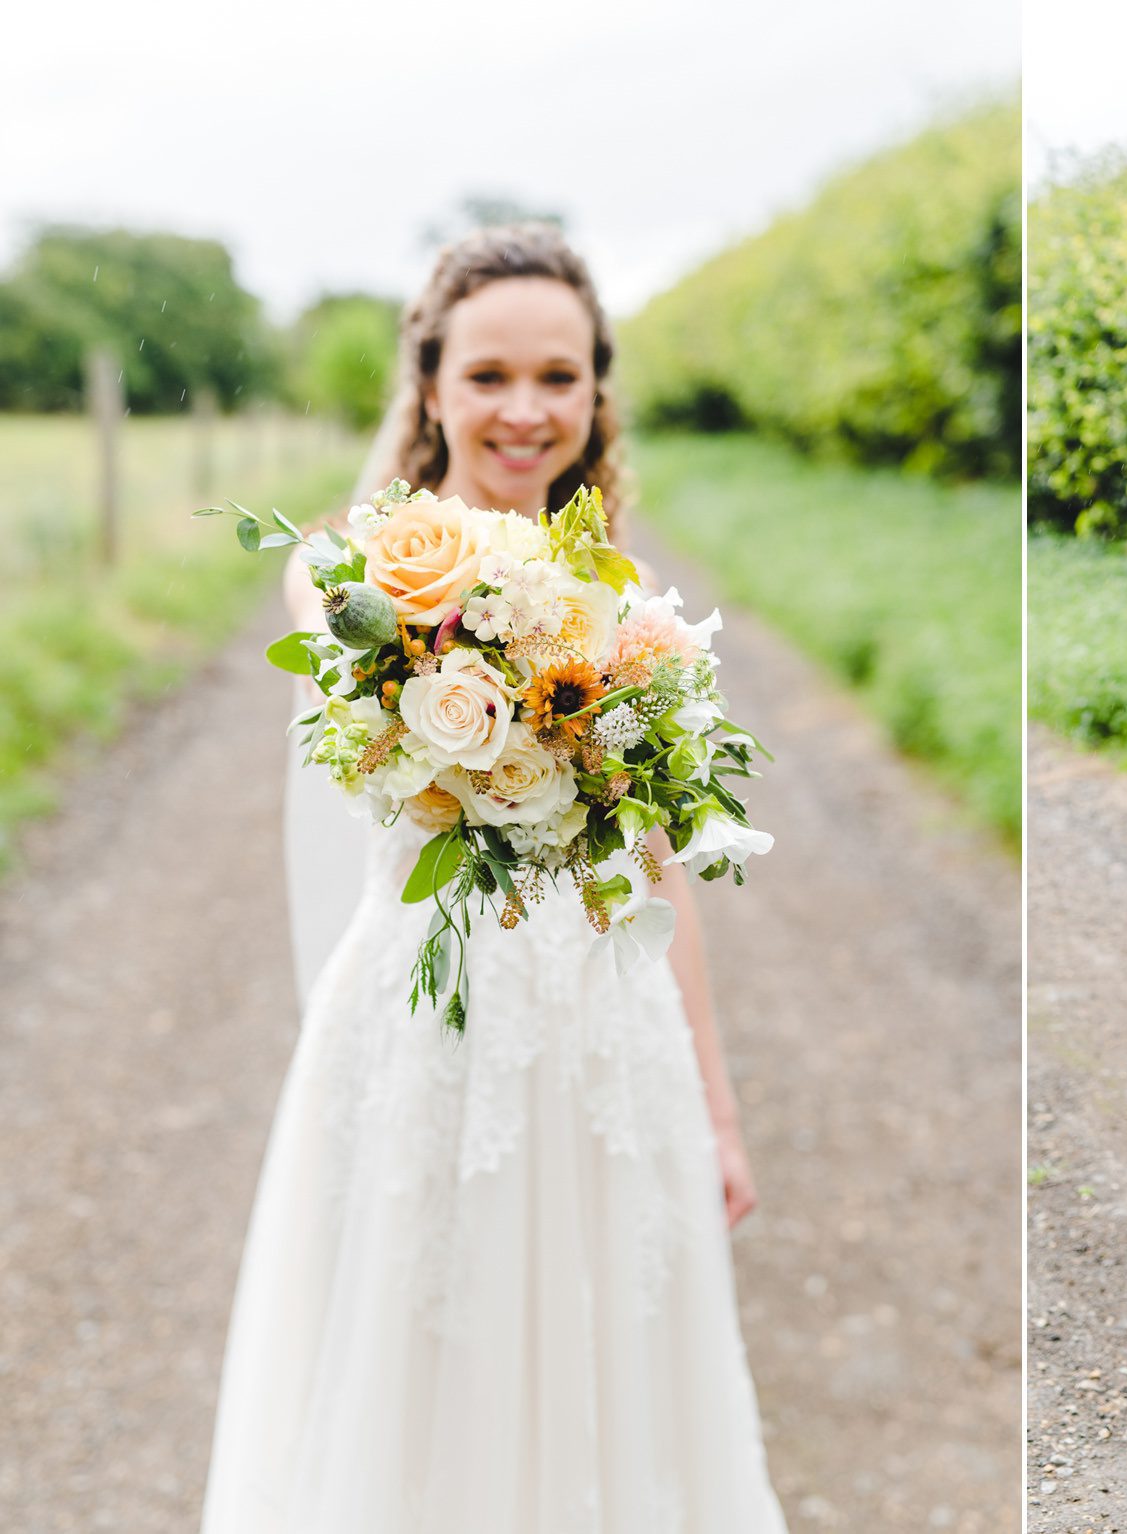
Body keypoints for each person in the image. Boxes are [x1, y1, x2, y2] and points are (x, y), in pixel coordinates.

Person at [204, 225, 788, 1532]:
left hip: (607, 1032)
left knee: (615, 1369)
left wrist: (721, 1106)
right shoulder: (346, 571)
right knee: (421, 1379)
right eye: (488, 376)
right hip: (431, 1021)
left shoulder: (627, 595)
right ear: (427, 386)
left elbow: (655, 867)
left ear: (596, 392)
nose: (526, 411)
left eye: (559, 376)